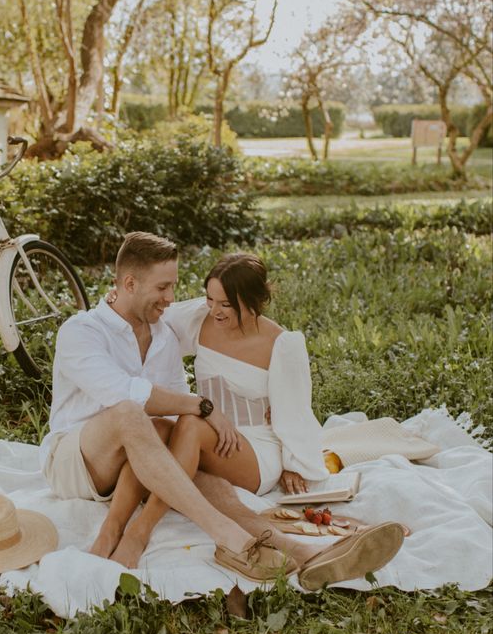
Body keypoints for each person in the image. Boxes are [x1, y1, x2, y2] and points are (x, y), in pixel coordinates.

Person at [42, 232, 404, 588]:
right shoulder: (81, 331)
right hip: (79, 459)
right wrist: (204, 407)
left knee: (188, 458)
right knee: (132, 414)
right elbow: (125, 394)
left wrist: (266, 425)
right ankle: (132, 535)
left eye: (174, 287)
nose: (171, 298)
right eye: (163, 288)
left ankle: (304, 550)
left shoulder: (164, 333)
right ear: (130, 283)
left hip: (137, 460)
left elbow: (173, 407)